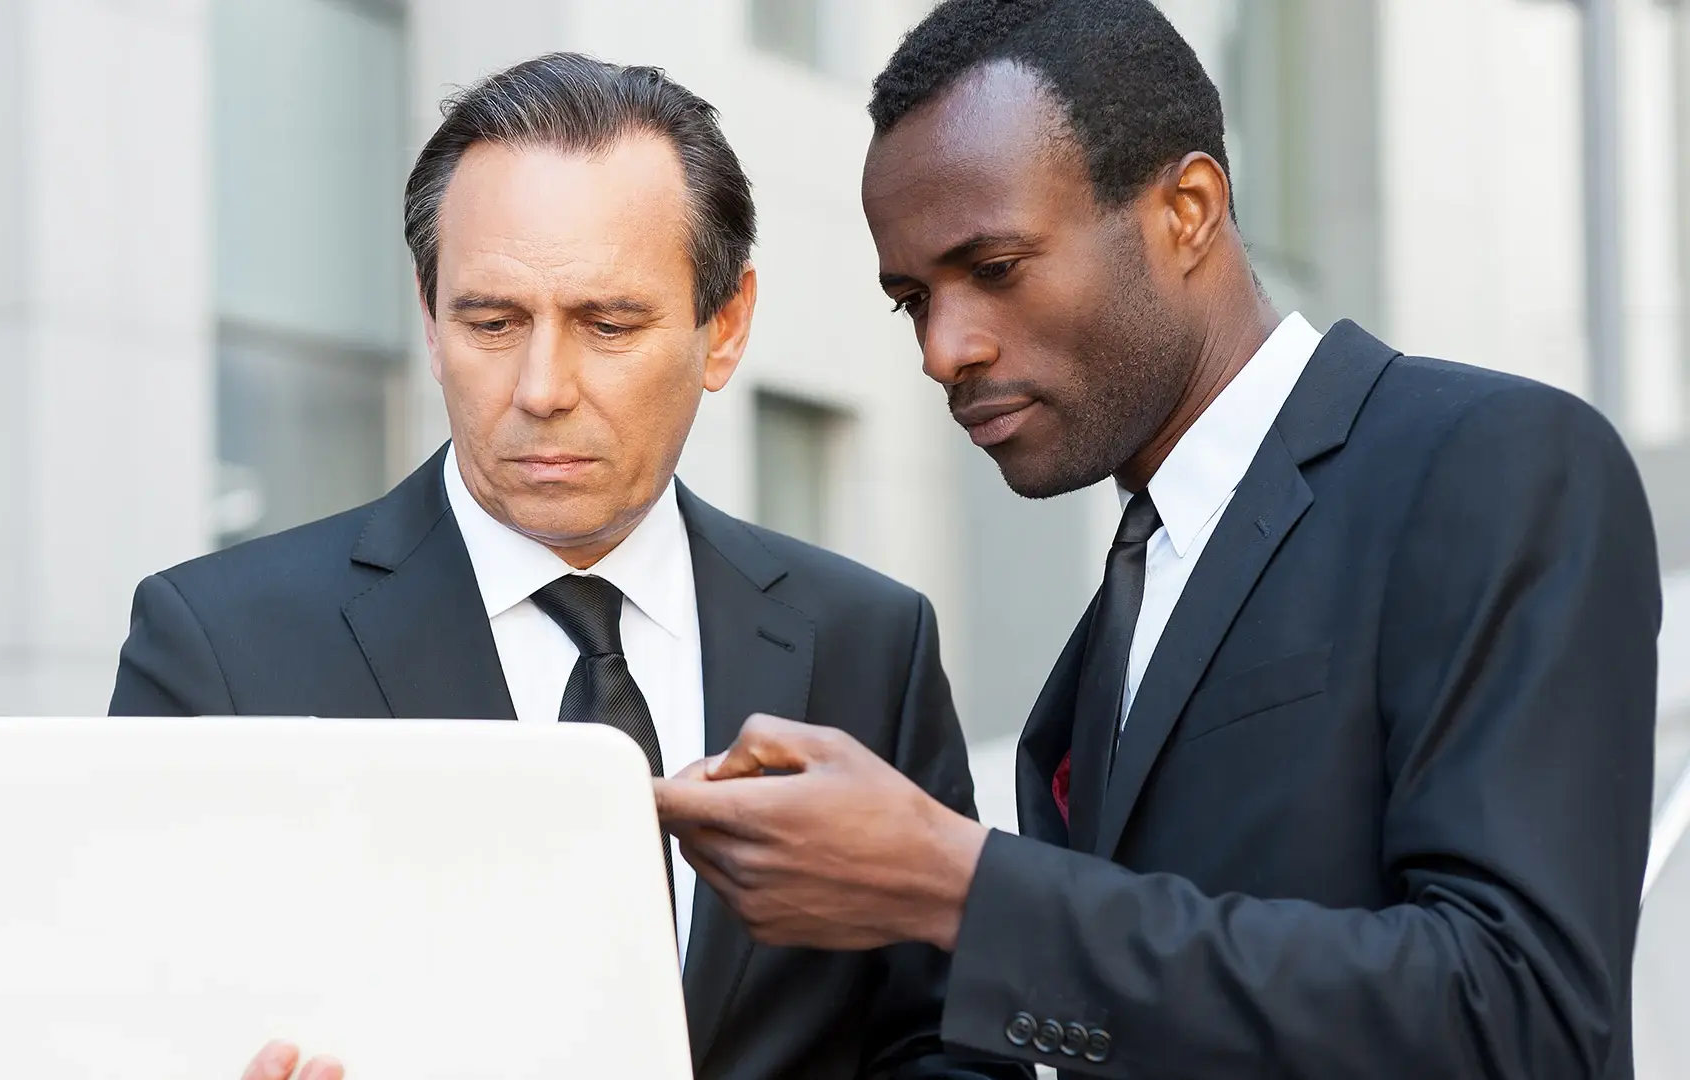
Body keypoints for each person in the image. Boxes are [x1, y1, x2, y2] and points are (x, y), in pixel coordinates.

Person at [654, 2, 1662, 1078]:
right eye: (913, 300)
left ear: (1187, 210)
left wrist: (958, 883)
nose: (946, 350)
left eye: (993, 268)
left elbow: (1521, 1016)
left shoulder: (1492, 463)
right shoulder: (1133, 593)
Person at [111, 52, 1026, 1080]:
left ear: (724, 328)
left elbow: (952, 1046)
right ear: (429, 317)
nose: (542, 387)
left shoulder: (869, 643)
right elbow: (130, 1032)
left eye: (608, 324)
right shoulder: (218, 648)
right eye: (493, 322)